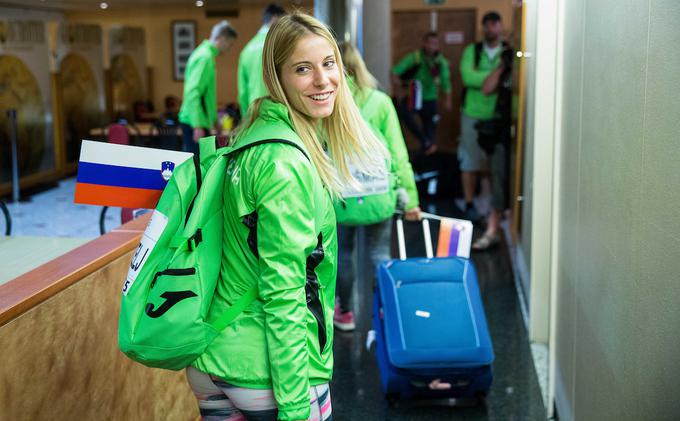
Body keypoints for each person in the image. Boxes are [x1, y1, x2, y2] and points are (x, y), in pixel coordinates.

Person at [187, 13, 388, 421]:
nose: (323, 80)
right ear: (277, 77)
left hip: (215, 356)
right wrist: (296, 408)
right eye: (302, 69)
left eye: (329, 63)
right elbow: (284, 293)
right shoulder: (286, 163)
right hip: (263, 369)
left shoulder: (250, 138)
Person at [333, 42, 421, 331]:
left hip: (342, 196)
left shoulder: (328, 104)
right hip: (379, 194)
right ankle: (383, 312)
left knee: (343, 254)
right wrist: (410, 201)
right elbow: (398, 153)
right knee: (379, 253)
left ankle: (345, 313)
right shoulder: (381, 102)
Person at [458, 11, 514, 250]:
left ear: (500, 27)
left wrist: (488, 78)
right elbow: (468, 77)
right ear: (483, 28)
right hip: (472, 113)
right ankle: (470, 203)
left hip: (498, 117)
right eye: (487, 25)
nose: (491, 29)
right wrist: (494, 75)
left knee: (496, 166)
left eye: (495, 24)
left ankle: (493, 211)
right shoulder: (474, 50)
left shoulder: (508, 53)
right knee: (469, 160)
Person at [178, 20, 238, 154]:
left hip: (197, 121)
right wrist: (198, 125)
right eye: (230, 43)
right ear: (222, 39)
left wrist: (214, 120)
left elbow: (205, 95)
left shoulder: (205, 54)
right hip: (195, 123)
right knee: (197, 169)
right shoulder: (205, 57)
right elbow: (193, 92)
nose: (229, 48)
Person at [391, 32, 453, 155]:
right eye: (429, 43)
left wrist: (448, 99)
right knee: (405, 115)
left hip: (431, 99)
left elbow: (446, 82)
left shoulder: (440, 62)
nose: (431, 47)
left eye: (434, 44)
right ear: (424, 43)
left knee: (431, 132)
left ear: (438, 45)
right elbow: (395, 72)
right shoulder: (415, 58)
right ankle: (423, 142)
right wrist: (399, 88)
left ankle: (428, 152)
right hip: (414, 98)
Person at [237, 3, 286, 116]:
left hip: (253, 112)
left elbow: (242, 92)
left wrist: (246, 116)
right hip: (278, 111)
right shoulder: (278, 43)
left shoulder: (247, 49)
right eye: (283, 21)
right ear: (275, 18)